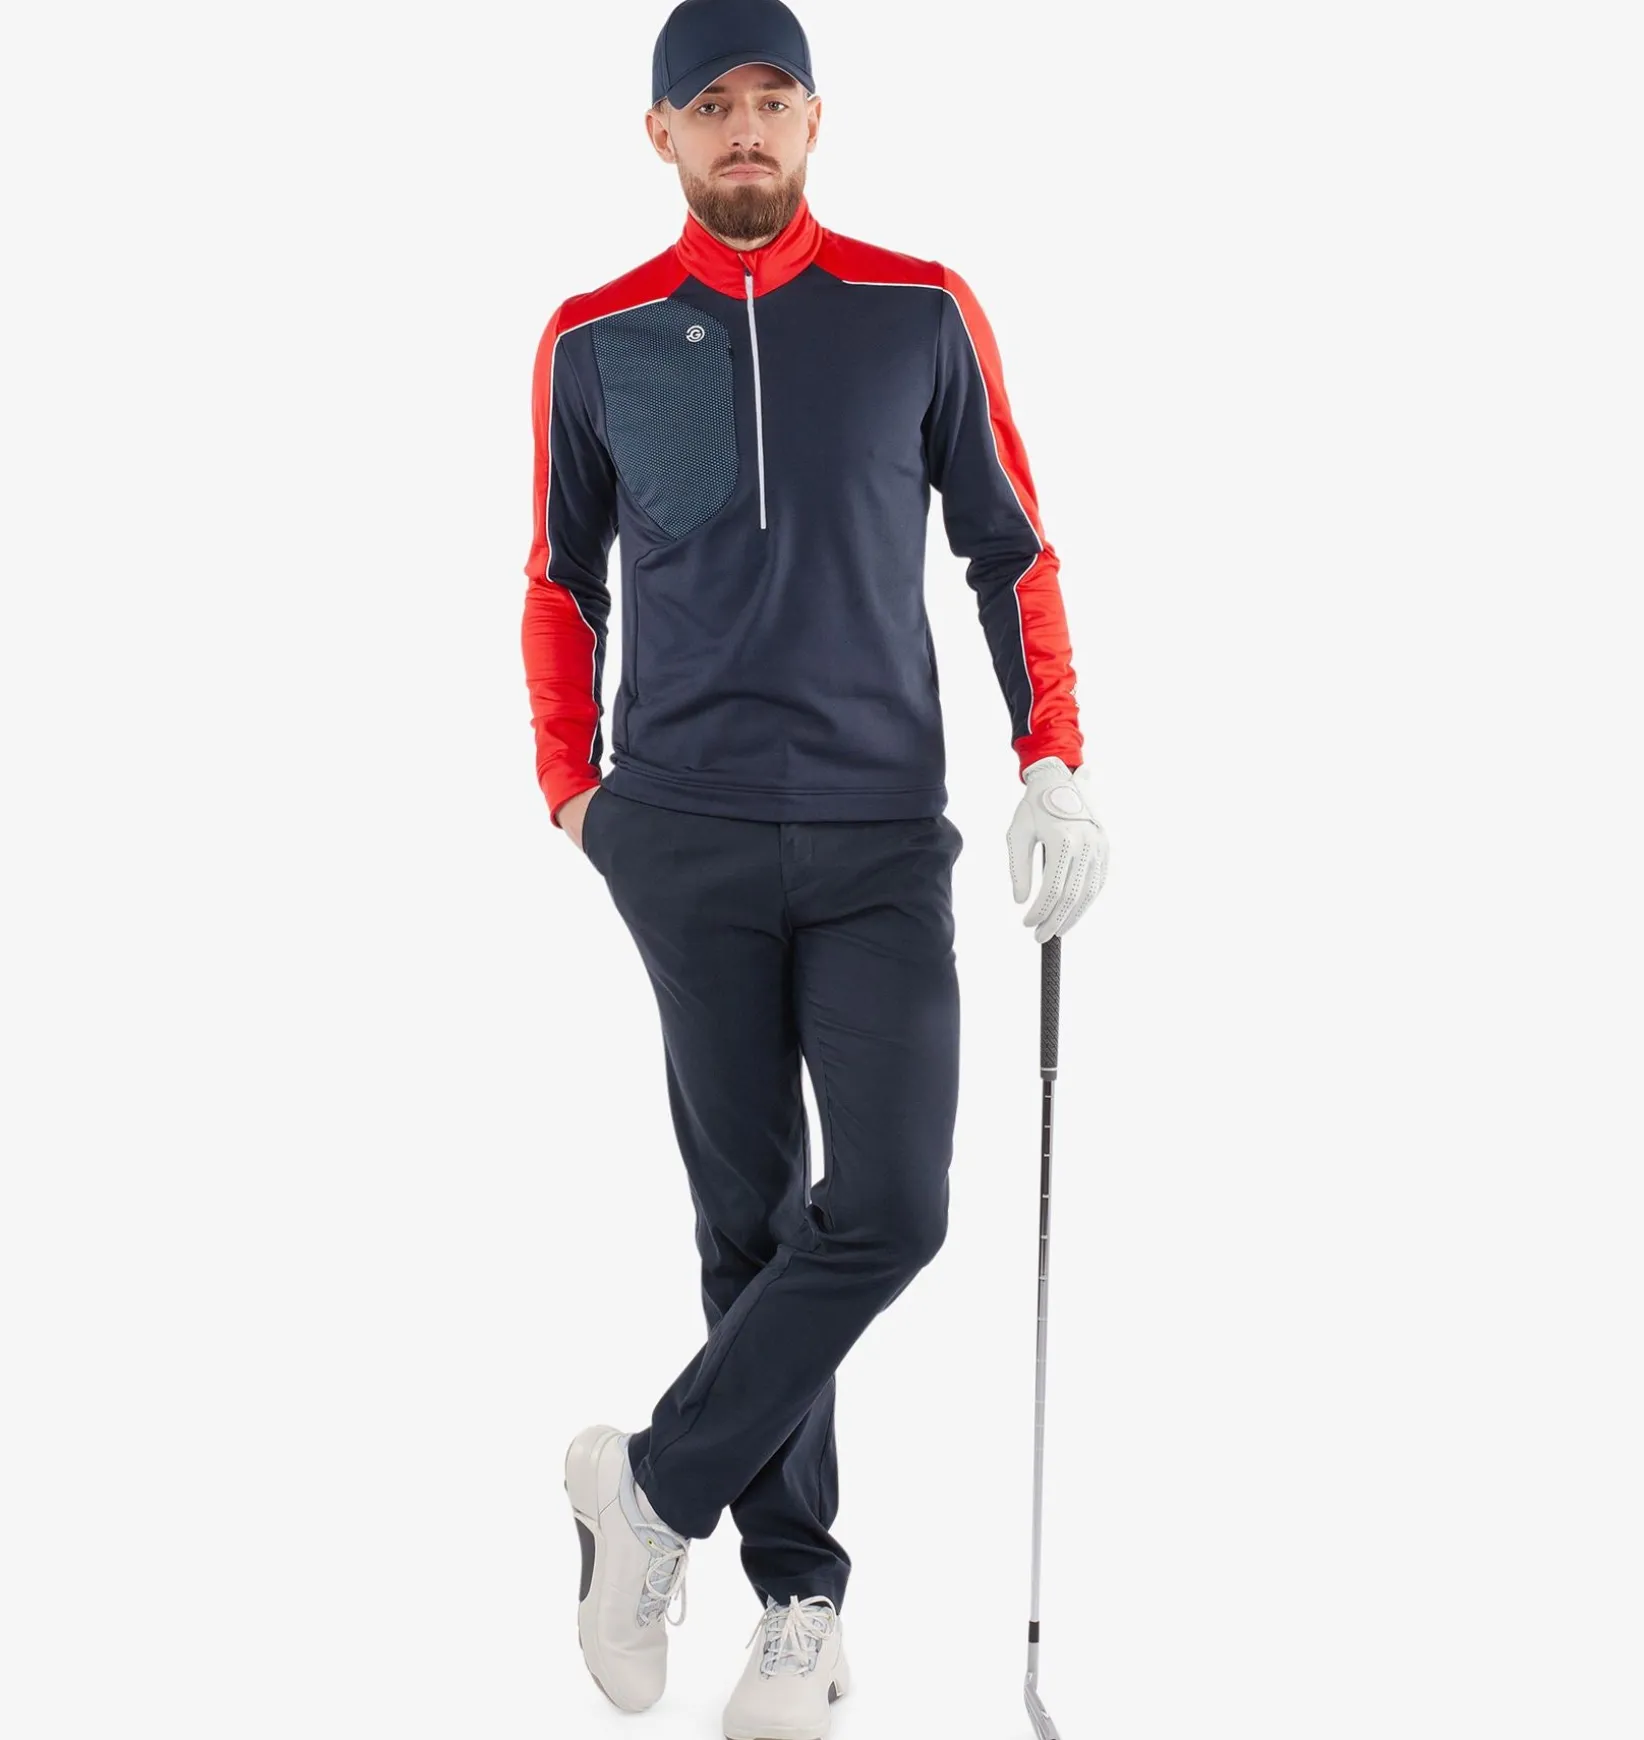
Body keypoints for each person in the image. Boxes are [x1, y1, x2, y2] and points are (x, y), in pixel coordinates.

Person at [523, 2, 1109, 1732]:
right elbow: (559, 581)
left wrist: (1053, 757)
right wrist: (574, 794)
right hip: (681, 833)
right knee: (748, 1223)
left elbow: (1010, 548)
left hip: (876, 842)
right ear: (661, 134)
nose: (746, 129)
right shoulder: (595, 338)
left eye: (772, 98)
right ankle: (800, 1603)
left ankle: (649, 1485)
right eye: (711, 104)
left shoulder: (916, 310)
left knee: (894, 1207)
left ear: (814, 119)